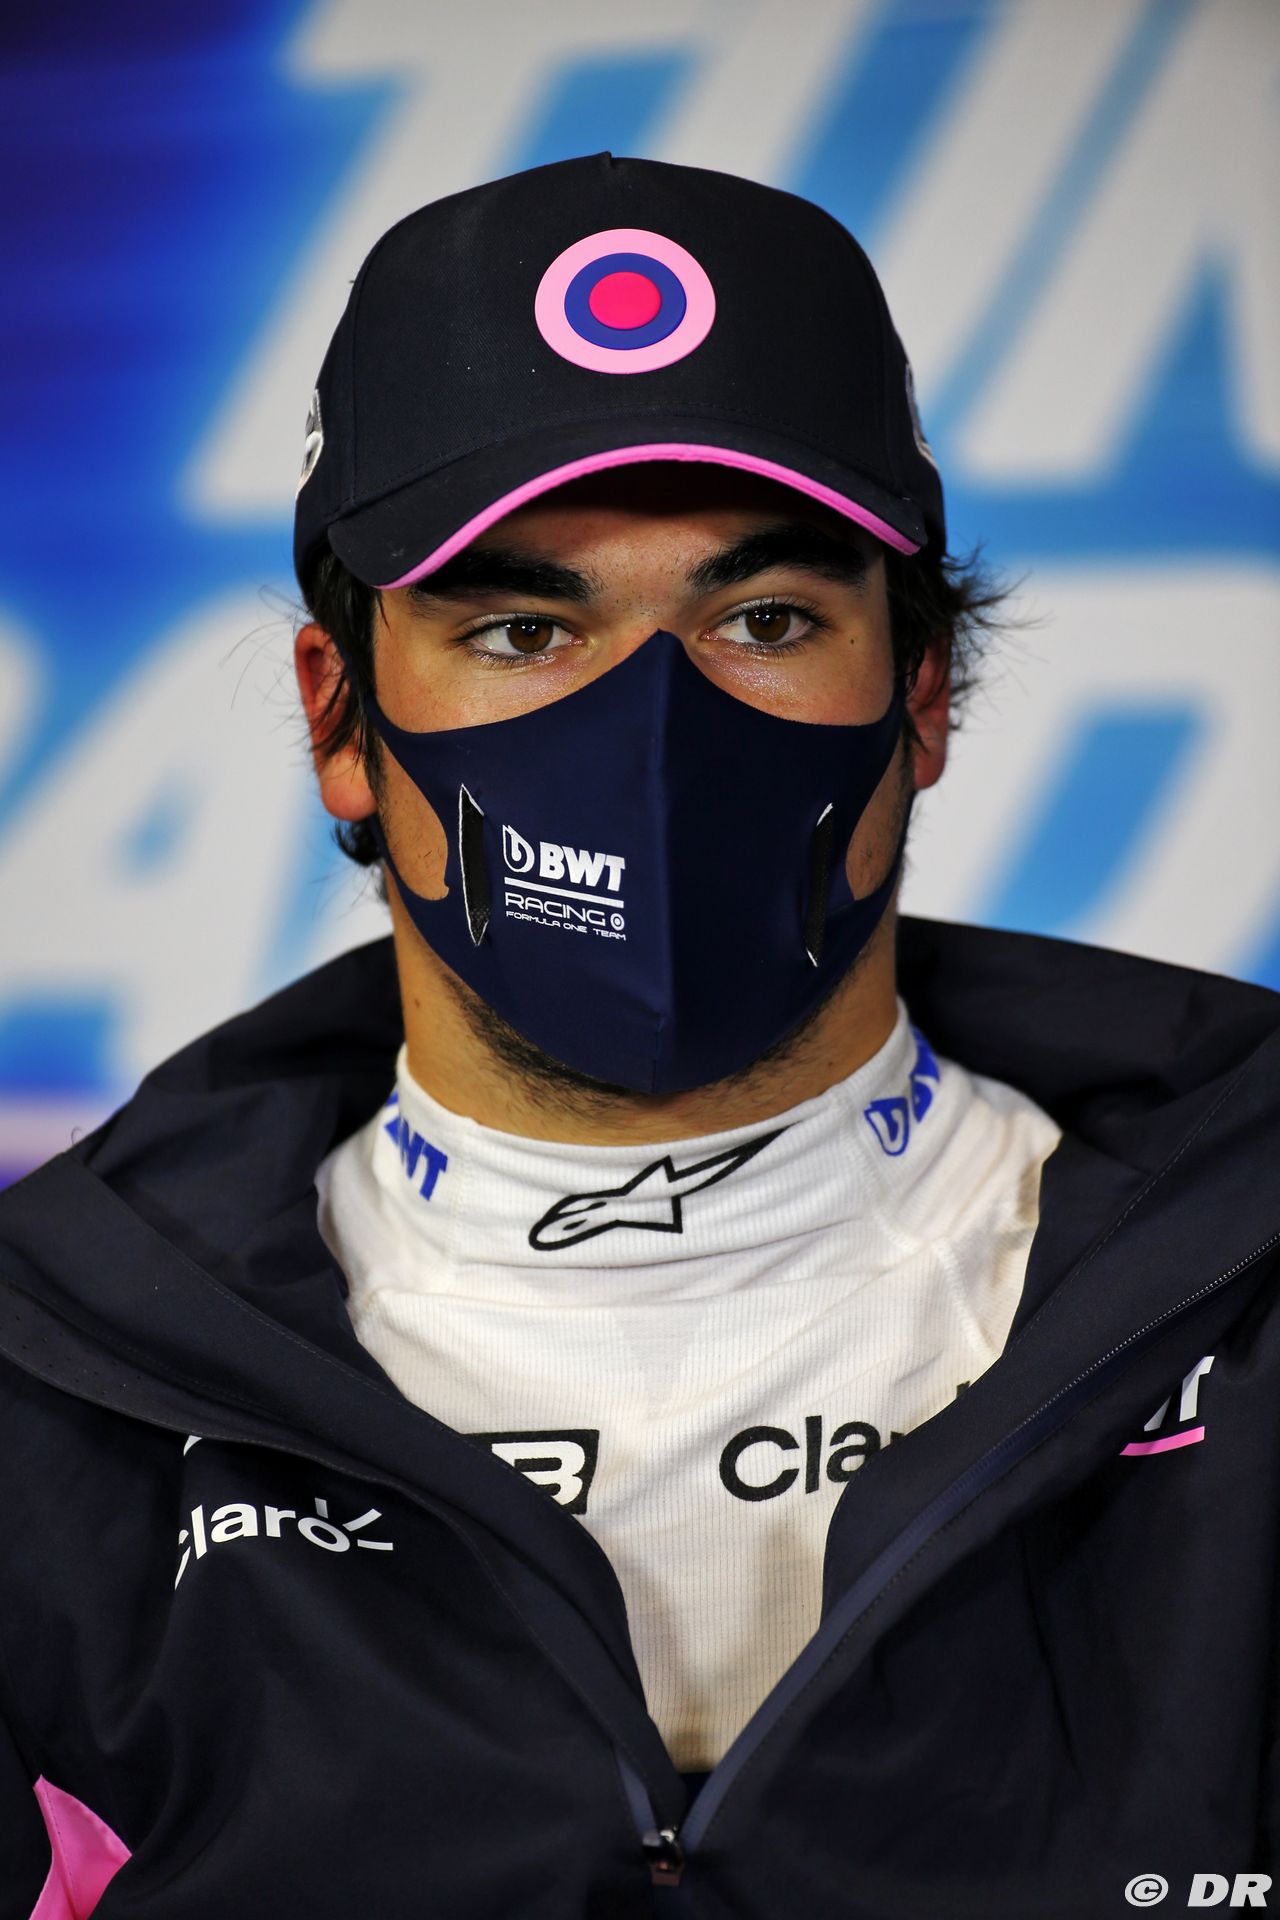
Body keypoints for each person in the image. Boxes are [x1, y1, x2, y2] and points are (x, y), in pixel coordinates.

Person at [0, 153, 1275, 1920]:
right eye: (525, 629)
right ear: (340, 719)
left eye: (765, 619)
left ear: (920, 692)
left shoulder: (1252, 1321)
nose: (655, 731)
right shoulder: (43, 1417)